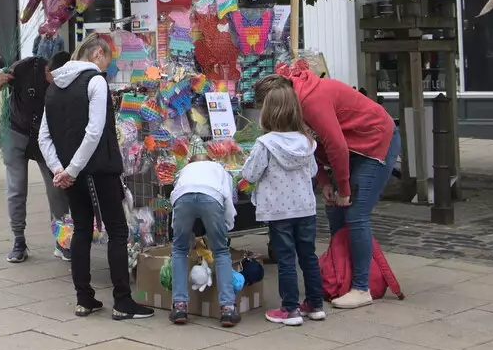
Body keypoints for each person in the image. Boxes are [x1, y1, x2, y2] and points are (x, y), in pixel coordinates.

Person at [256, 62, 401, 310]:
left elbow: (336, 145)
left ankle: (361, 287)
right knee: (334, 211)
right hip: (349, 151)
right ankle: (341, 274)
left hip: (376, 143)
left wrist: (344, 189)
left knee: (355, 214)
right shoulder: (293, 105)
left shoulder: (313, 100)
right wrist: (324, 183)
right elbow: (310, 146)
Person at [39, 34, 154, 320]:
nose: (107, 68)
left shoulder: (54, 87)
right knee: (117, 231)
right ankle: (122, 301)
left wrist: (60, 170)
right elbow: (95, 131)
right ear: (97, 54)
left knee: (81, 229)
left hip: (70, 173)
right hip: (99, 169)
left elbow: (43, 136)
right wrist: (72, 170)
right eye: (108, 61)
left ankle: (84, 298)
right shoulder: (95, 81)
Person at [240, 82, 325, 326]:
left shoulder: (265, 143)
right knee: (308, 256)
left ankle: (290, 309)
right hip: (305, 207)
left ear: (267, 112)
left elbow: (251, 174)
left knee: (286, 258)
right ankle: (315, 304)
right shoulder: (307, 142)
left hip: (278, 210)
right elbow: (312, 172)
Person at [0, 52, 71, 263]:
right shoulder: (21, 67)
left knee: (57, 187)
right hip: (15, 132)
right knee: (17, 188)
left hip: (44, 136)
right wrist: (0, 80)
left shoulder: (62, 75)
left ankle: (62, 241)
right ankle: (19, 240)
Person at [169, 153, 239, 326]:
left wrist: (178, 229)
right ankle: (227, 308)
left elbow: (175, 194)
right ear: (210, 160)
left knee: (179, 250)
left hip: (183, 197)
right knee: (221, 251)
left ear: (190, 162)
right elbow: (227, 198)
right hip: (212, 196)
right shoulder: (219, 169)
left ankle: (179, 306)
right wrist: (228, 224)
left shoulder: (184, 170)